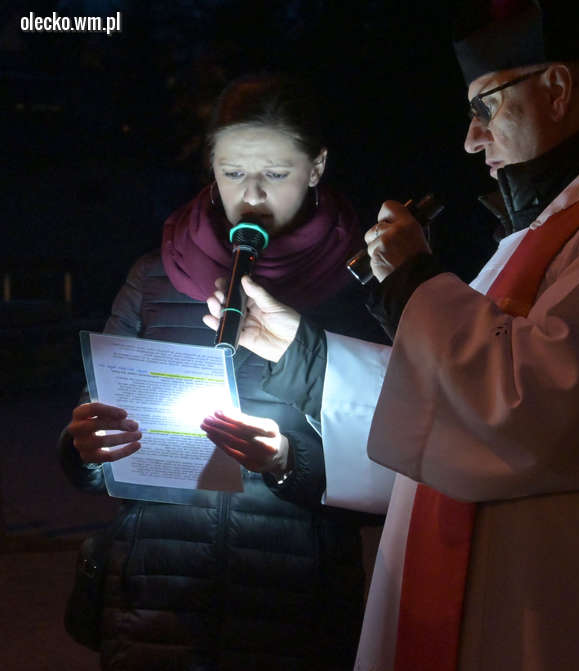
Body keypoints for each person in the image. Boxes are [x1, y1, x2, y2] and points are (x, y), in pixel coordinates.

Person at [203, 2, 579, 669]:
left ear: (555, 88)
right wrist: (304, 354)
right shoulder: (545, 233)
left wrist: (413, 282)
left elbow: (532, 411)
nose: (470, 138)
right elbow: (454, 407)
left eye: (486, 106)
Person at [58, 72, 389, 670]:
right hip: (155, 600)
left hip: (296, 608)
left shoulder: (364, 287)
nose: (253, 196)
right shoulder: (155, 275)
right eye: (233, 173)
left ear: (317, 167)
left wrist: (289, 463)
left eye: (276, 174)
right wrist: (85, 448)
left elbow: (394, 465)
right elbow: (94, 436)